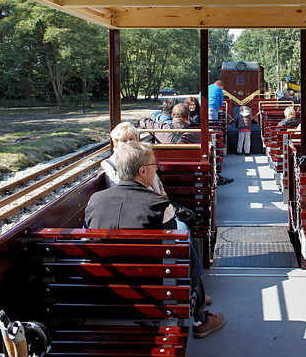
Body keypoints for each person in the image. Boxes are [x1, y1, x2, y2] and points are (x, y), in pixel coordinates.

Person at [85, 142, 224, 338]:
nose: (156, 168)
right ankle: (201, 320)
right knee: (186, 253)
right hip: (152, 289)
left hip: (104, 288)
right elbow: (173, 247)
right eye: (154, 165)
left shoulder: (94, 201)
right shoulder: (159, 205)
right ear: (142, 171)